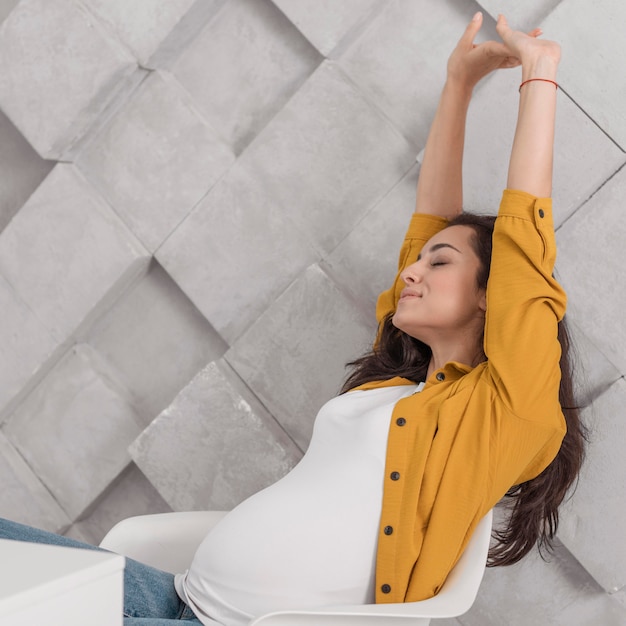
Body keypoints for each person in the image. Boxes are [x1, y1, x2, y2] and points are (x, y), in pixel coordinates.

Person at [0, 13, 585, 626]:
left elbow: (525, 247)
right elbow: (431, 221)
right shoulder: (399, 385)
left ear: (495, 296)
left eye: (438, 263)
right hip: (172, 596)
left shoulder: (502, 409)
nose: (410, 271)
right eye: (417, 261)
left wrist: (539, 73)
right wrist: (457, 86)